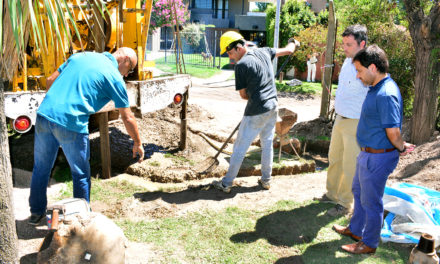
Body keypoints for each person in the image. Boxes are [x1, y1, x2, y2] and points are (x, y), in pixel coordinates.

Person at [28, 47, 145, 225]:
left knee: (41, 168)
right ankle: (82, 221)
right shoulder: (114, 77)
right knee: (80, 174)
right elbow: (127, 116)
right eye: (129, 71)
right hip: (72, 123)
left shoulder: (81, 56)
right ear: (126, 60)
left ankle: (36, 214)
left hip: (45, 115)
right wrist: (137, 142)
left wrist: (56, 105)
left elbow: (51, 80)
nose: (127, 75)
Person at [333, 45, 415, 254]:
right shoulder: (376, 87)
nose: (358, 76)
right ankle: (356, 230)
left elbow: (393, 132)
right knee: (359, 192)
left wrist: (401, 146)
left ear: (372, 67)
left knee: (371, 201)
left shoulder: (386, 93)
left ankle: (368, 243)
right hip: (368, 154)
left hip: (378, 158)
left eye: (359, 71)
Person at [212, 31, 299, 193]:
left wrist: (256, 99)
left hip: (256, 111)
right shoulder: (263, 51)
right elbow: (288, 50)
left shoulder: (242, 66)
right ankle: (266, 180)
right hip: (273, 107)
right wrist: (293, 42)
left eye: (230, 53)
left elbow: (244, 95)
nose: (230, 57)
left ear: (238, 47)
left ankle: (226, 184)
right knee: (267, 143)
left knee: (239, 147)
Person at [315, 25, 369, 216]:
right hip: (340, 119)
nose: (344, 47)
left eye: (349, 44)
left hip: (356, 122)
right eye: (343, 43)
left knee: (350, 165)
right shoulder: (348, 61)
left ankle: (345, 204)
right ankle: (331, 194)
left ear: (362, 44)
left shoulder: (368, 65)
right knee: (334, 158)